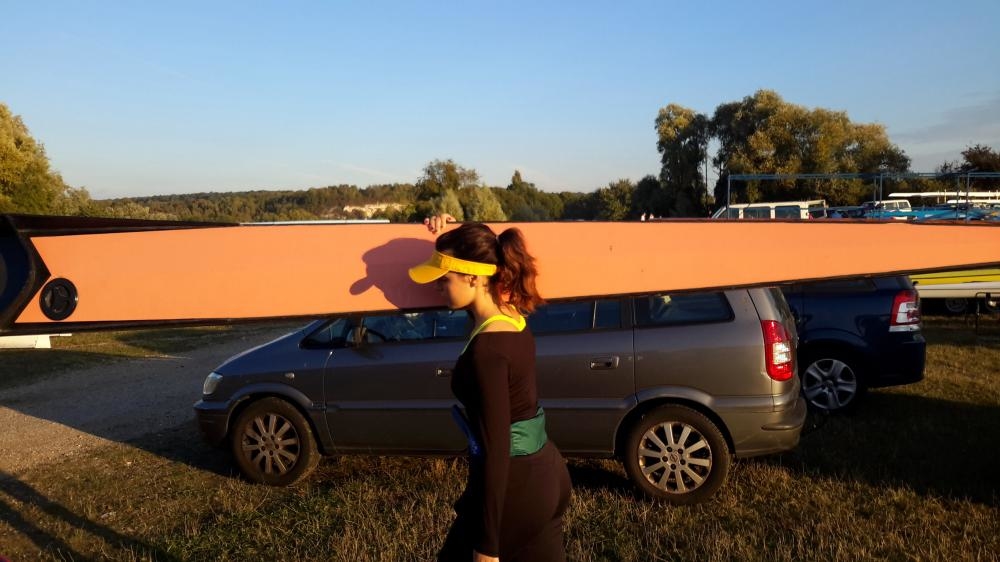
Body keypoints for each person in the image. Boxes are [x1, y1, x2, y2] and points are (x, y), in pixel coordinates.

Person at [409, 214, 572, 562]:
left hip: (517, 486)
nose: (436, 287)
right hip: (547, 471)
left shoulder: (487, 352)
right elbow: (485, 260)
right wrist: (452, 230)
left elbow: (496, 450)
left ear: (473, 276)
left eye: (443, 279)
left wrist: (486, 546)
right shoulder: (509, 314)